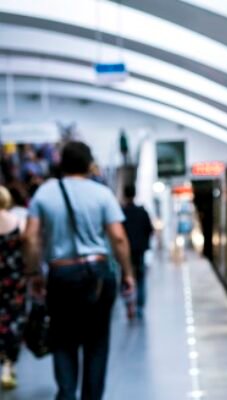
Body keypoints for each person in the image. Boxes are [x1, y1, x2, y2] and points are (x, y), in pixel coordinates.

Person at [24, 141, 135, 400]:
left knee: (63, 340)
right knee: (96, 343)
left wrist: (34, 274)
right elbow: (118, 238)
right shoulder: (102, 194)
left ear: (61, 164)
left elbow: (30, 238)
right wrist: (128, 273)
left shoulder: (45, 193)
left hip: (60, 275)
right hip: (97, 274)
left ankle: (66, 393)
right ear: (89, 164)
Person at [0, 187, 27, 390]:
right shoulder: (18, 221)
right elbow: (28, 246)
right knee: (13, 319)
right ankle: (8, 367)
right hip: (14, 278)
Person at [121, 185, 154, 318]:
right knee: (140, 279)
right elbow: (150, 230)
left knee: (126, 278)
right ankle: (139, 307)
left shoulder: (120, 212)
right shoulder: (142, 212)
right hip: (139, 251)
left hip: (125, 252)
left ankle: (129, 304)